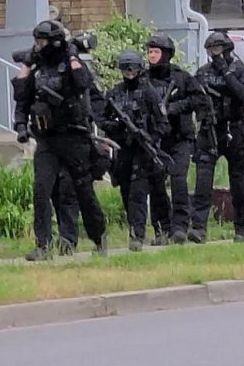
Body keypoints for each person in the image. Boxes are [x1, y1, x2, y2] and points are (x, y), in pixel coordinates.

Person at [12, 19, 107, 261]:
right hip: (47, 140)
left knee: (83, 191)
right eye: (35, 41)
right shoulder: (38, 69)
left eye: (41, 41)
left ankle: (98, 237)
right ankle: (42, 244)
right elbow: (22, 97)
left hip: (74, 138)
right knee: (41, 190)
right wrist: (21, 125)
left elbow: (83, 83)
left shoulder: (69, 64)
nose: (37, 46)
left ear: (54, 42)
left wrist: (73, 54)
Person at [99, 50, 170, 251]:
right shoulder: (115, 94)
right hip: (124, 150)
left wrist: (150, 139)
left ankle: (142, 234)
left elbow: (163, 123)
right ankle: (135, 229)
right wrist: (118, 127)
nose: (129, 72)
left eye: (132, 68)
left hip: (145, 151)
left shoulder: (149, 92)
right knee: (126, 191)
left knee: (144, 192)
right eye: (125, 68)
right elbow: (102, 119)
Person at [145, 34, 209, 244]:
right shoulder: (144, 79)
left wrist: (174, 108)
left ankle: (180, 226)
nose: (152, 56)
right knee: (156, 183)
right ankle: (162, 228)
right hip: (156, 140)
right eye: (150, 52)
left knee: (178, 179)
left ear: (166, 55)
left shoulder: (181, 78)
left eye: (156, 52)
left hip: (180, 138)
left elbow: (200, 99)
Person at [190, 32, 244, 243]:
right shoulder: (203, 73)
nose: (213, 55)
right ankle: (198, 228)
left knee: (239, 181)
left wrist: (226, 73)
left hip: (234, 130)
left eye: (216, 50)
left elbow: (243, 94)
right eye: (210, 51)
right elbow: (193, 98)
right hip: (210, 130)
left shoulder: (241, 71)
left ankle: (242, 228)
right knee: (203, 181)